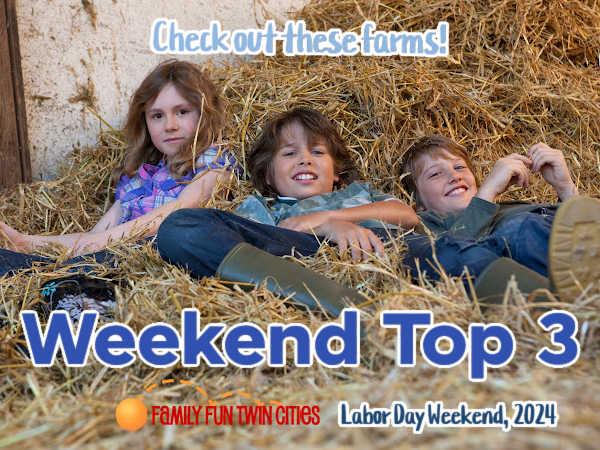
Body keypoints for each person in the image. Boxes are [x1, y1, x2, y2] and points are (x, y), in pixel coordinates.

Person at [156, 107, 419, 316]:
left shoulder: (358, 193)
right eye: (290, 153)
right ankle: (354, 309)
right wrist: (323, 231)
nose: (305, 159)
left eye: (317, 151)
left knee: (447, 248)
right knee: (181, 227)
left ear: (337, 173)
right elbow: (255, 247)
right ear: (268, 175)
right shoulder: (262, 207)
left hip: (382, 248)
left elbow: (406, 215)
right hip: (297, 254)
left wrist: (330, 218)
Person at [0, 59, 236, 276]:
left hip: (155, 262)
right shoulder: (141, 179)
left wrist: (102, 244)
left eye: (182, 112)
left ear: (204, 114)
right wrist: (27, 242)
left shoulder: (214, 161)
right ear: (144, 121)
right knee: (36, 265)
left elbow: (180, 210)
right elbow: (93, 238)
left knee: (58, 270)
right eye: (157, 116)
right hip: (113, 256)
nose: (170, 125)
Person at [399, 134, 600, 301]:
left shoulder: (512, 208)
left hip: (579, 248)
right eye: (435, 174)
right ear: (419, 204)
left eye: (459, 167)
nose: (454, 176)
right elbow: (453, 253)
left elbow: (575, 226)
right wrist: (488, 191)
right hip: (542, 258)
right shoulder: (426, 226)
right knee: (520, 229)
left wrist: (565, 188)